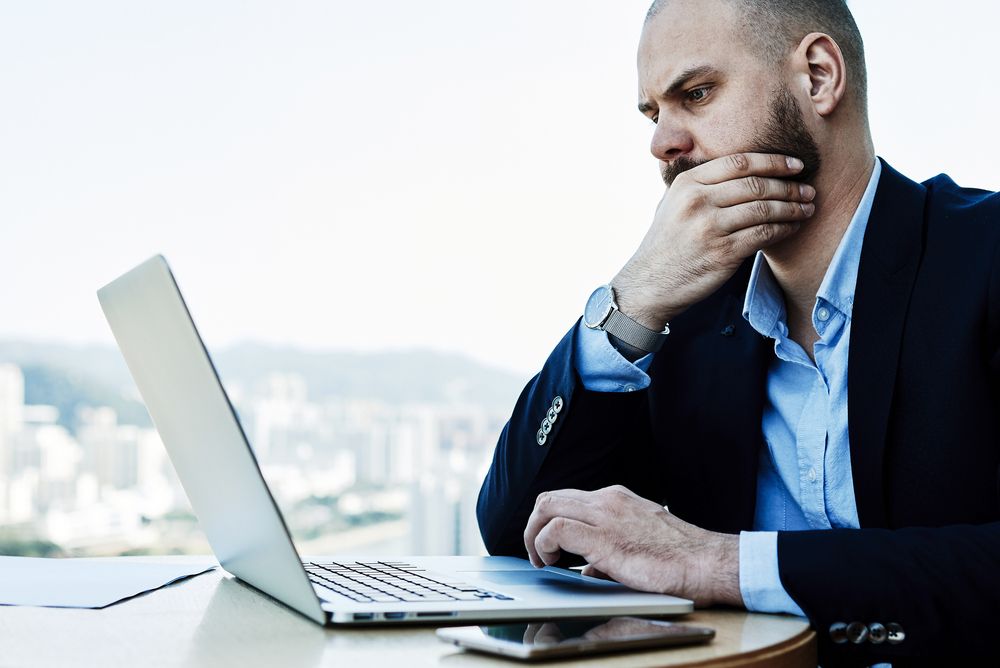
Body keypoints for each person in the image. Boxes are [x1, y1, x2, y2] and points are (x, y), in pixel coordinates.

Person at [476, 1, 1000, 665]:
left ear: (817, 76)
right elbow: (516, 535)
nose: (662, 142)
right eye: (652, 113)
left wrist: (717, 563)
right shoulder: (683, 314)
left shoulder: (984, 256)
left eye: (695, 94)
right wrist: (631, 301)